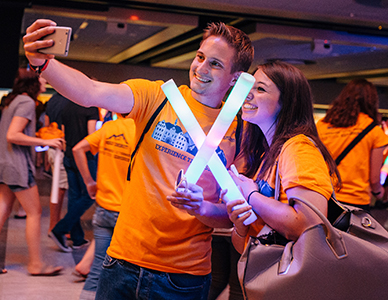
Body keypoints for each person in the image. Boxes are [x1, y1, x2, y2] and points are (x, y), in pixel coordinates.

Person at [23, 19, 253, 299]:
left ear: (234, 78)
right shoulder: (157, 97)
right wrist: (43, 64)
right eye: (200, 57)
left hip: (183, 276)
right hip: (122, 261)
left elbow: (230, 216)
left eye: (215, 64)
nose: (201, 68)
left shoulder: (240, 132)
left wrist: (201, 208)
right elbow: (89, 92)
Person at [210, 61, 341, 255]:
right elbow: (244, 249)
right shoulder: (267, 154)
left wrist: (252, 196)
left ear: (287, 102)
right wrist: (241, 223)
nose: (248, 94)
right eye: (248, 87)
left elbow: (308, 226)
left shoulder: (298, 148)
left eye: (260, 89)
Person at [0, 67, 63, 276]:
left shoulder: (13, 100)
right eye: (42, 80)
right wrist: (45, 141)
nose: (45, 83)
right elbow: (13, 135)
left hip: (4, 164)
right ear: (33, 83)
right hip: (17, 165)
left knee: (3, 210)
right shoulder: (27, 102)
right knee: (35, 212)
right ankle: (36, 264)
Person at [73, 116, 136, 300]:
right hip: (127, 211)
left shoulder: (109, 128)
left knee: (99, 263)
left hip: (103, 208)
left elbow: (78, 149)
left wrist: (89, 182)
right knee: (127, 269)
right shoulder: (141, 131)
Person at [317, 79, 388, 211]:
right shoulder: (373, 130)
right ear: (372, 101)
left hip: (324, 196)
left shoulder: (322, 125)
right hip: (355, 199)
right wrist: (378, 192)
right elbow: (374, 178)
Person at [48, 99, 99, 252]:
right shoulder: (91, 107)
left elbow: (64, 136)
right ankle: (60, 229)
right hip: (84, 157)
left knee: (75, 196)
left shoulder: (66, 108)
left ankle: (77, 239)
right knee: (90, 195)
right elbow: (91, 136)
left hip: (68, 156)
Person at [44, 92, 69, 234]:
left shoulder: (52, 100)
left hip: (52, 146)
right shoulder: (69, 101)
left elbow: (47, 125)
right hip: (62, 148)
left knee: (58, 188)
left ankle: (56, 225)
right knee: (59, 189)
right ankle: (54, 226)